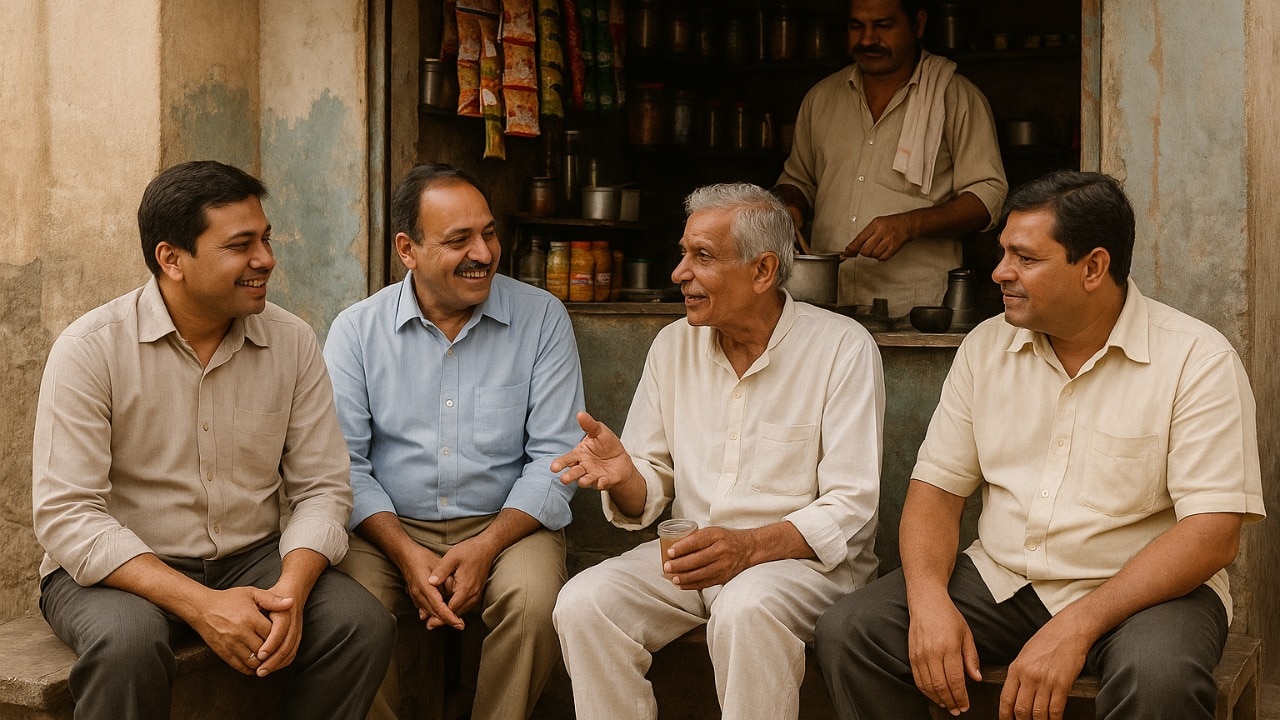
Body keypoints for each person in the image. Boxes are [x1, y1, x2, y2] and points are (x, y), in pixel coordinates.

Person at [815, 170, 1266, 720]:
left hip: (1144, 592)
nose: (1000, 271)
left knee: (1160, 680)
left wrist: (1075, 626)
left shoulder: (1198, 360)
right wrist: (929, 600)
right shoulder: (986, 347)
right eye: (1004, 252)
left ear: (1094, 267)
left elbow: (1211, 536)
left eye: (1026, 258)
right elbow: (936, 492)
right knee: (853, 632)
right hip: (1001, 579)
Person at [31, 160, 396, 720]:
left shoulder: (292, 341)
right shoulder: (91, 348)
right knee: (127, 645)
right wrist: (202, 606)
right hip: (119, 572)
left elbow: (322, 487)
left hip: (251, 561)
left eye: (266, 239)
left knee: (361, 625)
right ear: (171, 258)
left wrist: (291, 593)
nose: (266, 260)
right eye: (240, 245)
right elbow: (67, 515)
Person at [551, 182, 884, 720]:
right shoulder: (672, 345)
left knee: (746, 607)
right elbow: (651, 482)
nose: (680, 273)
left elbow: (851, 508)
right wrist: (626, 477)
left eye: (702, 256)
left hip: (801, 568)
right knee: (585, 603)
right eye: (683, 254)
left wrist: (748, 549)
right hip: (694, 556)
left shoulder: (842, 348)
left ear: (763, 271)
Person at [323, 163, 585, 720]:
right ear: (407, 249)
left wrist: (487, 545)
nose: (484, 253)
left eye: (488, 233)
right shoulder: (356, 330)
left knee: (535, 604)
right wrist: (405, 551)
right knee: (352, 614)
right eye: (458, 239)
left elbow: (556, 460)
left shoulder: (542, 318)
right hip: (387, 528)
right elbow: (343, 465)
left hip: (510, 525)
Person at [773, 0, 1007, 316]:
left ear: (918, 24)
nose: (867, 39)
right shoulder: (821, 98)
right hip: (824, 304)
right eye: (857, 26)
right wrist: (791, 207)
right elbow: (797, 180)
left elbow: (987, 196)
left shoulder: (956, 97)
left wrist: (911, 224)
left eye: (883, 25)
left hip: (914, 307)